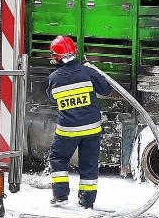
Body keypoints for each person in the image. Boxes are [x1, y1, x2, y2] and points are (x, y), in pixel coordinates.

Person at [46, 36, 112, 209]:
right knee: (89, 165)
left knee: (58, 158)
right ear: (75, 52)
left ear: (57, 57)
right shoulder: (87, 72)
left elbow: (52, 98)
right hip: (91, 129)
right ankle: (87, 202)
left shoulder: (54, 78)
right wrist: (95, 73)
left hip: (67, 130)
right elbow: (106, 90)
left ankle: (60, 197)